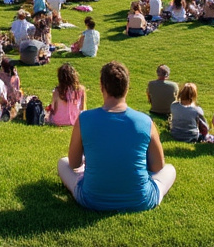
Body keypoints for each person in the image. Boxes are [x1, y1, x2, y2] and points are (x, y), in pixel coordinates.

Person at [58, 60, 176, 212]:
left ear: (102, 87)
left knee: (63, 162)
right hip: (140, 200)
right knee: (170, 169)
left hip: (91, 199)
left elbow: (73, 163)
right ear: (127, 88)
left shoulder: (84, 119)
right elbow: (158, 166)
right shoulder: (145, 121)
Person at [47, 63, 87, 127]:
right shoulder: (81, 89)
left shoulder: (57, 91)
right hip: (76, 120)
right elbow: (83, 108)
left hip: (59, 120)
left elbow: (53, 109)